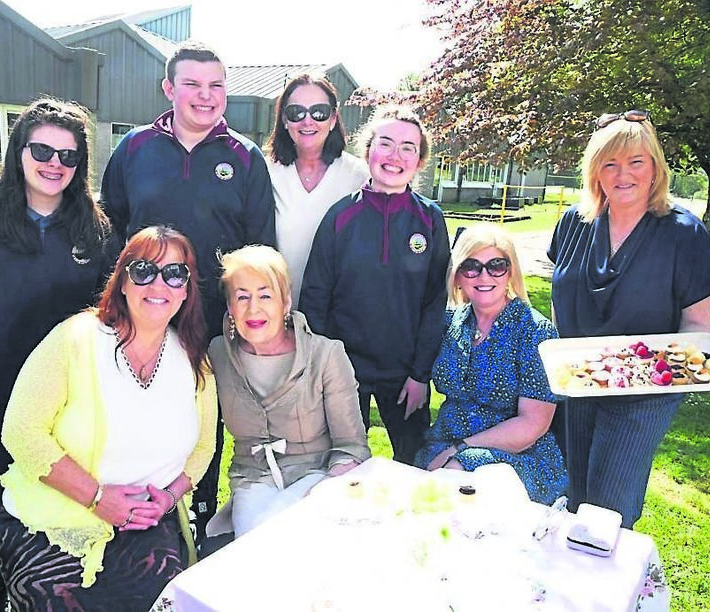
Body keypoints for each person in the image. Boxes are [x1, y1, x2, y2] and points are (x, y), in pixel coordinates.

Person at [0, 98, 117, 612]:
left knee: (62, 488)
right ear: (19, 152)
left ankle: (62, 576)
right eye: (42, 150)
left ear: (80, 167)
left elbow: (109, 313)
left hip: (72, 399)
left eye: (68, 156)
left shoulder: (95, 231)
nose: (55, 163)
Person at [100, 41, 276, 538]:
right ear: (169, 89)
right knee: (134, 409)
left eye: (216, 85)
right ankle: (129, 506)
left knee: (203, 420)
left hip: (213, 322)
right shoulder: (134, 148)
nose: (206, 95)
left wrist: (251, 321)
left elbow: (260, 249)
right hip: (141, 315)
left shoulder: (245, 157)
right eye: (193, 84)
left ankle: (195, 513)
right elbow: (110, 234)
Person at [0, 226, 217, 610]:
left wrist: (167, 499)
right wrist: (97, 498)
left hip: (145, 527)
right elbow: (20, 431)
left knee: (161, 601)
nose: (159, 284)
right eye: (144, 270)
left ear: (186, 290)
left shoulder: (196, 362)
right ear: (123, 281)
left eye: (174, 273)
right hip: (53, 521)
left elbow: (204, 448)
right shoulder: (75, 339)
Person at [547, 110, 710, 527]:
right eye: (610, 162)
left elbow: (698, 326)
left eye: (635, 162)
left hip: (643, 392)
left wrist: (663, 376)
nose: (623, 174)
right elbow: (559, 297)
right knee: (574, 492)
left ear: (655, 167)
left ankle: (608, 587)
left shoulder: (683, 233)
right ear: (595, 171)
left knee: (609, 505)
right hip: (578, 381)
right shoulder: (574, 222)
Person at [299, 106, 450, 464]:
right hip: (344, 371)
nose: (395, 156)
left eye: (408, 147)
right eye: (385, 143)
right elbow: (316, 298)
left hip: (404, 375)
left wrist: (419, 375)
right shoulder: (340, 216)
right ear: (368, 151)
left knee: (413, 465)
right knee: (345, 466)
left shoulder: (430, 219)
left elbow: (434, 301)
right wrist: (322, 370)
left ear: (419, 160)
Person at [206, 245, 369, 538]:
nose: (253, 309)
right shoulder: (217, 354)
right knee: (257, 539)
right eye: (242, 297)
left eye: (265, 295)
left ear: (285, 302)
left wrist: (327, 489)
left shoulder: (327, 355)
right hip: (253, 479)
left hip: (317, 476)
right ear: (230, 308)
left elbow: (352, 445)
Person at [414, 224, 568, 505]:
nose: (483, 275)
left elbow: (532, 425)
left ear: (510, 272)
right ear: (458, 277)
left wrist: (461, 450)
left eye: (496, 265)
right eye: (471, 266)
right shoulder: (452, 323)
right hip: (444, 444)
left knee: (452, 484)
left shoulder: (535, 332)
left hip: (515, 455)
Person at [265, 73, 369, 306]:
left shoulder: (360, 176)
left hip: (336, 315)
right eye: (296, 112)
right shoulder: (265, 173)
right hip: (275, 313)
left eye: (319, 112)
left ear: (333, 119)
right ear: (284, 120)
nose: (307, 121)